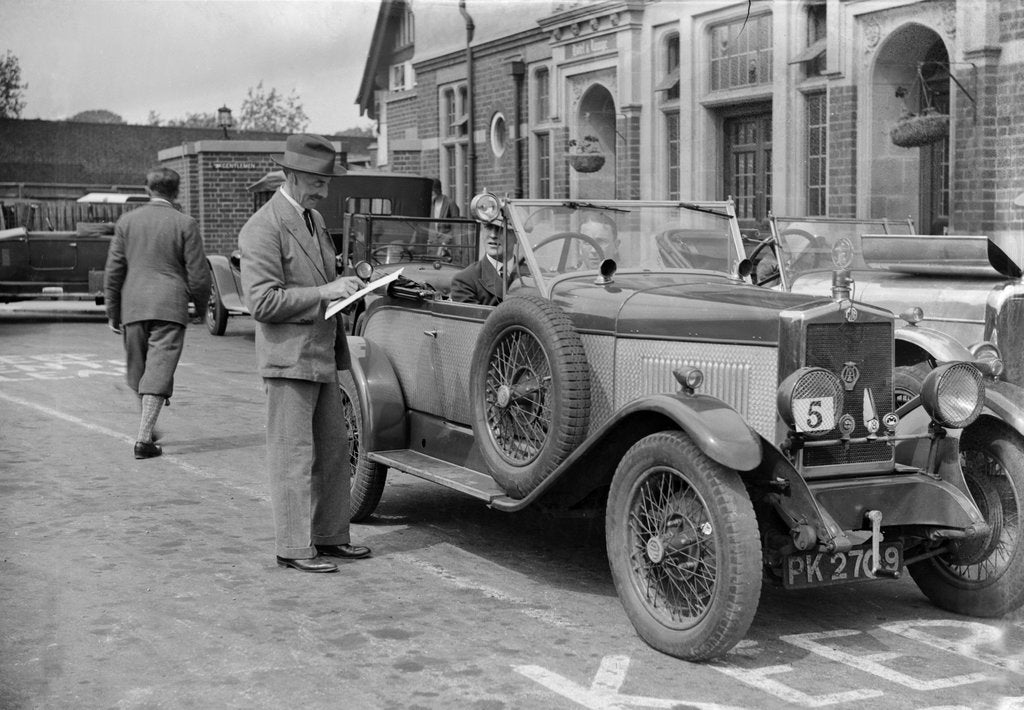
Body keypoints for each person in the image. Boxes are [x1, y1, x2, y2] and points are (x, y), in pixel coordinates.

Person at [238, 133, 371, 574]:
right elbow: (262, 302)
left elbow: (319, 282)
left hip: (321, 356)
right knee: (293, 456)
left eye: (327, 182)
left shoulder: (312, 220)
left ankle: (330, 536)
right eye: (317, 182)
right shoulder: (263, 227)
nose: (324, 192)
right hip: (289, 361)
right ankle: (294, 546)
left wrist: (349, 289)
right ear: (291, 175)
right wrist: (325, 291)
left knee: (334, 451)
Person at [104, 167, 210, 460]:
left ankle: (146, 429)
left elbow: (113, 270)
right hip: (169, 307)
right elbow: (199, 274)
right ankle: (143, 439)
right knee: (159, 370)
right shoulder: (185, 223)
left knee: (138, 371)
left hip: (133, 306)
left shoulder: (127, 221)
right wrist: (201, 308)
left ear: (147, 189)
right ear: (177, 192)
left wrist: (113, 311)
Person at [450, 216, 514, 305]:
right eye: (488, 227)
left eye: (501, 229)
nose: (493, 235)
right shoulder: (466, 280)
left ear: (517, 237)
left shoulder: (532, 273)